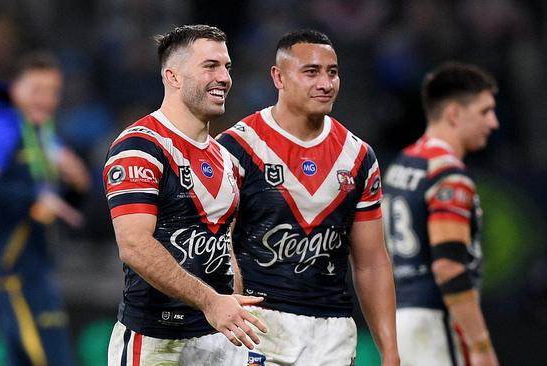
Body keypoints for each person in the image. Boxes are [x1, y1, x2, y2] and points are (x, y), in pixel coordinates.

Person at [217, 30, 399, 366]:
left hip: (332, 334)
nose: (326, 83)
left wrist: (390, 351)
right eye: (311, 72)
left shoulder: (358, 157)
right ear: (278, 77)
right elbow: (217, 246)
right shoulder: (236, 148)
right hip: (259, 328)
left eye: (332, 72)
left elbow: (372, 262)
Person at [102, 24, 267, 365]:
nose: (224, 77)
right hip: (154, 341)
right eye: (210, 66)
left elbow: (224, 245)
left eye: (227, 67)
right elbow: (133, 245)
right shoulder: (140, 147)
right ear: (173, 77)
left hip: (218, 337)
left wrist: (233, 312)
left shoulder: (225, 158)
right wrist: (211, 302)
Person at [0, 52, 90, 366]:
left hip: (37, 267)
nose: (46, 99)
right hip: (17, 272)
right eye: (36, 89)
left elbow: (61, 209)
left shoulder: (43, 137)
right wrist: (32, 198)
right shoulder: (4, 128)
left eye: (53, 91)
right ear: (15, 90)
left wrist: (77, 185)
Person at [382, 62, 500, 366]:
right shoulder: (448, 176)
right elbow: (448, 266)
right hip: (436, 322)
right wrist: (481, 344)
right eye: (485, 111)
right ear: (454, 114)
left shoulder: (401, 164)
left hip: (401, 319)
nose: (494, 123)